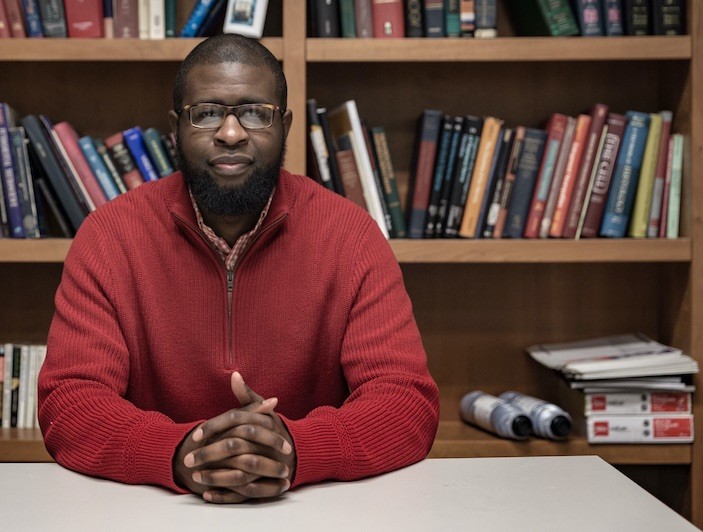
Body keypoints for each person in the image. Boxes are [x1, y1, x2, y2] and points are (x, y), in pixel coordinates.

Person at [38, 33, 439, 504]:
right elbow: (69, 403)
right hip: (150, 513)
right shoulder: (109, 236)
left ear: (284, 125)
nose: (231, 133)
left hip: (317, 514)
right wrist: (182, 454)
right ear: (175, 128)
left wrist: (293, 449)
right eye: (207, 113)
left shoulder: (351, 235)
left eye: (255, 112)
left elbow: (405, 401)